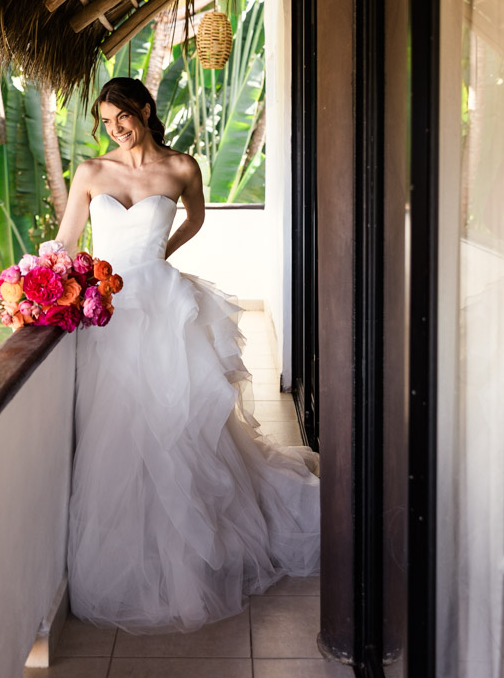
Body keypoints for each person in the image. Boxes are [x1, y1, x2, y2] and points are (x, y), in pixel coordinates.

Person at [55, 76, 320, 634]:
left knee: (181, 428)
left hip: (165, 306)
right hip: (111, 315)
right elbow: (66, 243)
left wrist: (161, 253)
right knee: (122, 430)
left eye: (121, 117)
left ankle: (193, 553)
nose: (114, 129)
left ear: (145, 110)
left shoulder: (181, 168)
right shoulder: (91, 172)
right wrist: (43, 288)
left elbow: (196, 217)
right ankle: (136, 552)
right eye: (105, 122)